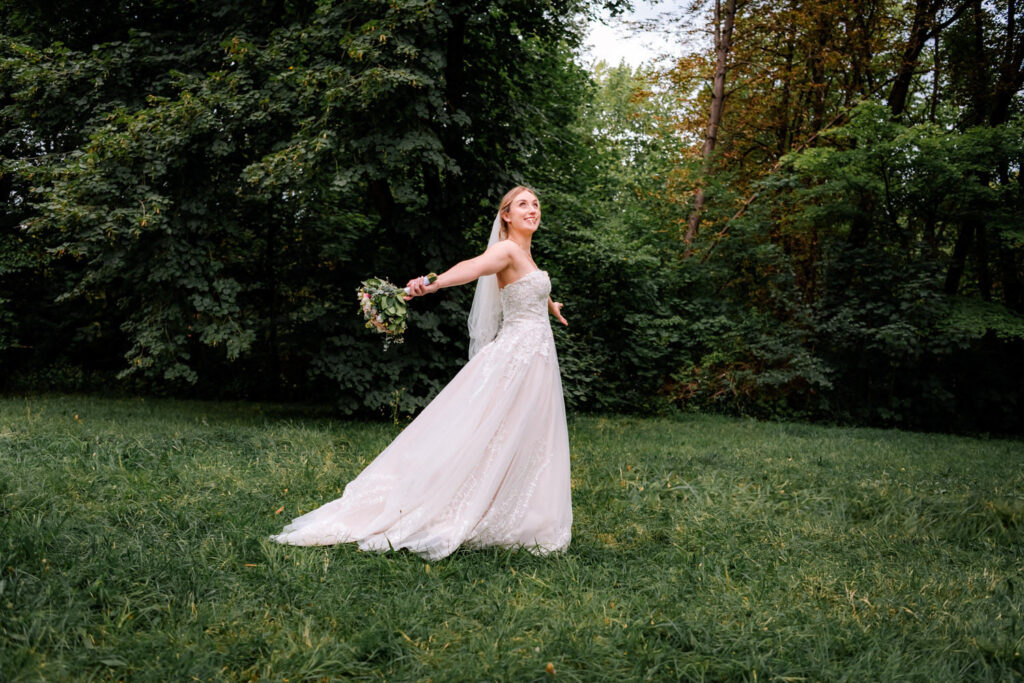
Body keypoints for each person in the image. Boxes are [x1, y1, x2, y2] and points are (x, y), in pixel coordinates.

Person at [271, 186, 573, 560]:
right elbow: (471, 269)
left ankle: (523, 512)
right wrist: (431, 284)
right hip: (517, 357)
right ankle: (464, 503)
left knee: (526, 433)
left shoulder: (524, 253)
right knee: (492, 430)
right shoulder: (506, 249)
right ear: (506, 216)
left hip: (535, 358)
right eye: (523, 204)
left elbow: (526, 286)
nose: (533, 210)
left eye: (536, 204)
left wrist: (549, 302)